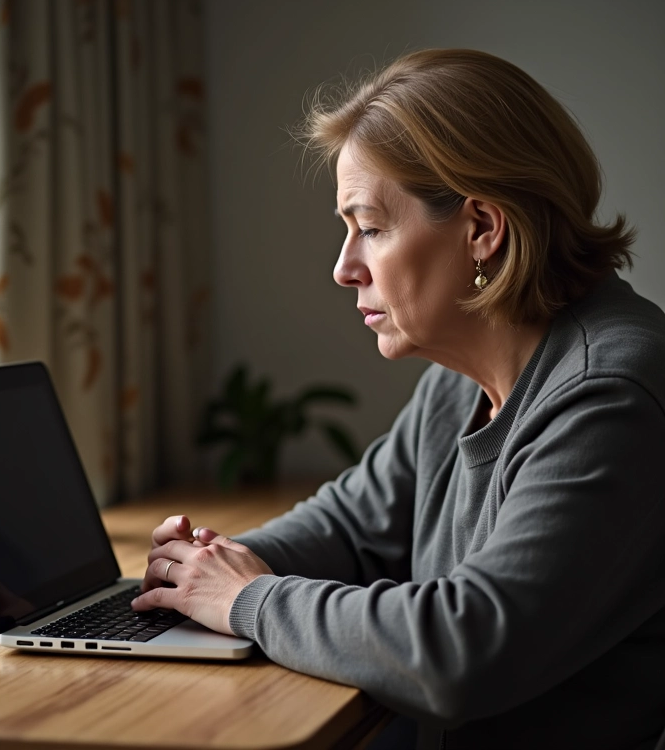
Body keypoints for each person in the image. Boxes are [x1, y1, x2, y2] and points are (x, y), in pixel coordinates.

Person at [132, 49, 665, 749]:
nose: (343, 266)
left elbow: (464, 650)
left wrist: (246, 600)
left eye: (372, 227)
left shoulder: (610, 394)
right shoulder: (462, 376)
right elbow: (351, 530)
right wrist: (198, 571)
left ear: (481, 228)